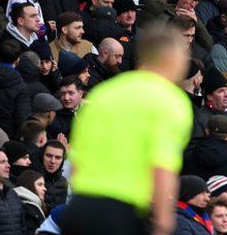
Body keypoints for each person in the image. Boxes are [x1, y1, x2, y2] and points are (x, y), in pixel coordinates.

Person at [60, 26, 194, 235]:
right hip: (119, 214)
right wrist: (163, 221)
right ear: (172, 59)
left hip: (78, 209)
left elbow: (77, 161)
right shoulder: (169, 99)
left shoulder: (104, 93)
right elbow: (161, 166)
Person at [14, 169, 47, 235]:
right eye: (40, 185)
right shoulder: (27, 208)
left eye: (44, 185)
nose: (45, 189)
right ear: (28, 185)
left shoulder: (29, 206)